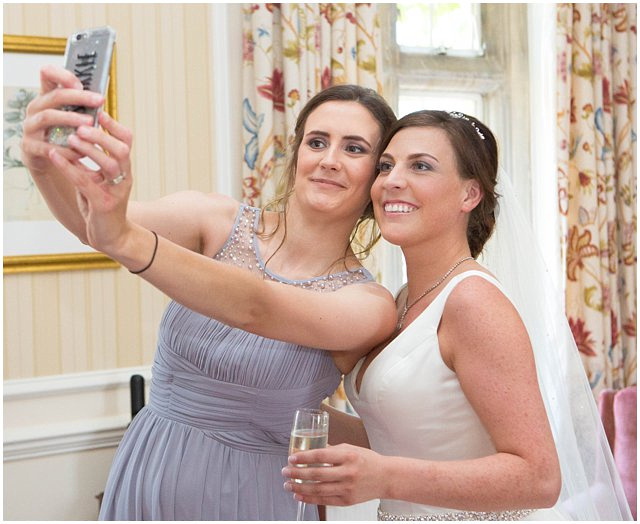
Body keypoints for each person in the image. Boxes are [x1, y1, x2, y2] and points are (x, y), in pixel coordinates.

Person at [20, 65, 398, 520]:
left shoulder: (366, 304)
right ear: (297, 154)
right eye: (317, 142)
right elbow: (94, 225)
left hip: (252, 497)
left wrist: (121, 237)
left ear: (378, 176)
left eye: (353, 149)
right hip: (148, 471)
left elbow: (256, 307)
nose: (330, 159)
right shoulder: (214, 220)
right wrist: (44, 165)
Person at [282, 110, 633, 521]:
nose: (393, 180)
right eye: (386, 166)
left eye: (421, 166)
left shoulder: (472, 302)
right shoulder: (401, 300)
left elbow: (539, 479)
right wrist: (272, 407)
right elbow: (405, 439)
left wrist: (387, 477)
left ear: (469, 195)